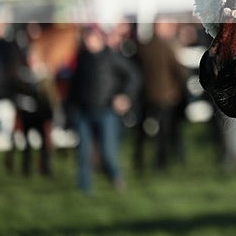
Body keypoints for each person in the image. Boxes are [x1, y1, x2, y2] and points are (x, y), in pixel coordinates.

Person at [67, 25, 140, 193]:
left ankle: (116, 177)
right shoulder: (81, 58)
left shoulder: (112, 57)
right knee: (83, 153)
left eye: (91, 38)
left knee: (108, 152)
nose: (89, 42)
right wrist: (70, 109)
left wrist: (125, 96)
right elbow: (74, 87)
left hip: (107, 111)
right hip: (83, 112)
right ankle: (85, 189)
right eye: (86, 39)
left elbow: (133, 76)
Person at [133, 17, 188, 172]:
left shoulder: (143, 47)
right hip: (165, 95)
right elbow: (179, 71)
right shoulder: (167, 47)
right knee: (164, 132)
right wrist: (179, 89)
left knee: (142, 132)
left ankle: (139, 162)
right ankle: (160, 164)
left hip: (146, 94)